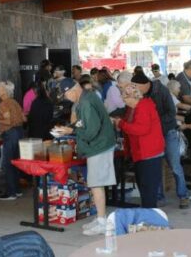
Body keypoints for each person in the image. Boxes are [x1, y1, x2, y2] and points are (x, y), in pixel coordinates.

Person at [55, 79, 116, 236]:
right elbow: (83, 122)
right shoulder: (87, 97)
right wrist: (71, 127)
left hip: (99, 146)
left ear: (73, 90)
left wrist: (72, 132)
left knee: (97, 184)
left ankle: (102, 221)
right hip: (99, 145)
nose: (66, 98)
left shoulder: (86, 103)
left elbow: (91, 130)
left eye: (66, 94)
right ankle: (100, 217)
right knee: (96, 183)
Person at [132, 72, 190, 209]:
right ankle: (158, 197)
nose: (135, 91)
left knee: (175, 165)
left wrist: (155, 123)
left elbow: (171, 113)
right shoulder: (141, 95)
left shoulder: (162, 90)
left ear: (144, 85)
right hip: (152, 136)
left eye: (136, 87)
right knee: (155, 168)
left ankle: (183, 196)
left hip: (167, 133)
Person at [115, 86, 165, 208]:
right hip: (140, 152)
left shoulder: (143, 106)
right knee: (144, 186)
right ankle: (148, 214)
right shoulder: (132, 108)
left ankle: (150, 218)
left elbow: (141, 129)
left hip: (149, 152)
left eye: (125, 98)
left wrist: (121, 124)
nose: (124, 101)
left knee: (148, 188)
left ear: (132, 97)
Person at [28, 73, 55, 140]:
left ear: (36, 90)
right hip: (47, 131)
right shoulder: (49, 101)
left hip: (36, 132)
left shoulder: (35, 102)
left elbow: (32, 117)